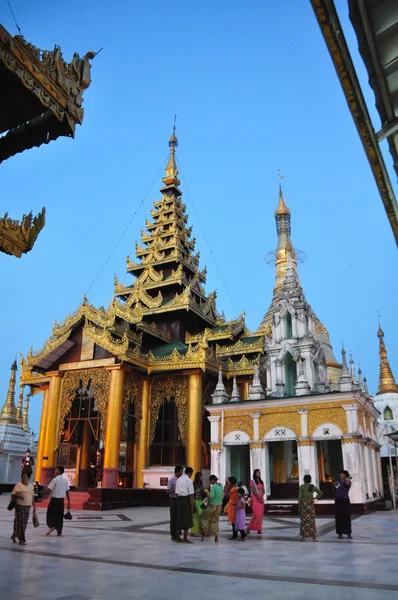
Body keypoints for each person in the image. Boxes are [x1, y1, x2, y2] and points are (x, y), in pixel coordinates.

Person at [45, 465, 71, 537]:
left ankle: (52, 526)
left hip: (54, 500)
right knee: (60, 516)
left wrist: (44, 495)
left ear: (59, 471)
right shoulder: (65, 481)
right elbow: (67, 492)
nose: (55, 471)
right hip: (61, 501)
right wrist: (69, 502)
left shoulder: (55, 480)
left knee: (50, 514)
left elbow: (49, 489)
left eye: (56, 470)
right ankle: (59, 532)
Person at [10, 473, 36, 545]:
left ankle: (14, 534)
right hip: (20, 506)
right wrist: (18, 497)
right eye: (22, 477)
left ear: (28, 478)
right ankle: (21, 539)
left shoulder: (31, 486)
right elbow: (12, 494)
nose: (23, 478)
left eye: (25, 476)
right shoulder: (18, 485)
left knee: (24, 522)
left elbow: (32, 496)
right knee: (21, 522)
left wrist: (34, 506)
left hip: (27, 506)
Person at [298, 474, 323, 542]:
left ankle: (303, 537)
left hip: (304, 506)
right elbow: (321, 493)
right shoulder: (312, 487)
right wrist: (315, 498)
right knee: (311, 521)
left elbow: (300, 498)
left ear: (304, 480)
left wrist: (299, 506)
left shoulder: (302, 487)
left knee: (304, 521)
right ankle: (314, 538)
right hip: (311, 505)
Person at [200, 474, 223, 542]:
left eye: (210, 481)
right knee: (215, 520)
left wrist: (208, 495)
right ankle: (216, 537)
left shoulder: (214, 486)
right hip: (219, 505)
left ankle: (205, 533)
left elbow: (212, 496)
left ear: (212, 480)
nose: (210, 483)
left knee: (204, 517)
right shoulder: (221, 485)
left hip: (212, 505)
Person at [175, 466, 194, 543]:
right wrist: (192, 506)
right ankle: (185, 538)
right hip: (185, 500)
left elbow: (176, 492)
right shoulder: (188, 481)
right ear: (190, 473)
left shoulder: (178, 479)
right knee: (186, 520)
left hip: (179, 500)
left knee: (179, 519)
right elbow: (191, 495)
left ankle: (178, 538)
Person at [334, 470, 353, 539]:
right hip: (338, 501)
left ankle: (348, 533)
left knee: (346, 517)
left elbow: (348, 484)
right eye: (340, 474)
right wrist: (333, 484)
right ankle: (340, 533)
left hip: (345, 501)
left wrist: (348, 478)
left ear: (345, 475)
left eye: (342, 474)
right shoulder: (338, 483)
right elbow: (334, 489)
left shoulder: (347, 482)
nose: (340, 476)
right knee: (339, 517)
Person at [166, 465, 183, 541]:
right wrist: (175, 490)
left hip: (179, 499)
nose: (182, 473)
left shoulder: (181, 480)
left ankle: (178, 534)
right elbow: (167, 491)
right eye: (181, 471)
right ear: (178, 471)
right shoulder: (171, 480)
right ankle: (173, 535)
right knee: (173, 517)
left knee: (179, 517)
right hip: (173, 499)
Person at [246, 469, 265, 535]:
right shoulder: (252, 481)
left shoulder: (261, 481)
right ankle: (249, 528)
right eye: (258, 473)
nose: (259, 474)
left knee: (260, 514)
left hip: (261, 499)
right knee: (255, 514)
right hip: (255, 498)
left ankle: (259, 528)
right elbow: (253, 490)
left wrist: (261, 496)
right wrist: (258, 496)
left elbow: (263, 491)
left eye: (259, 472)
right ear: (255, 473)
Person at [190, 472, 205, 536]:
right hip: (195, 501)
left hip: (200, 502)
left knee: (200, 517)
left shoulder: (199, 484)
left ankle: (198, 530)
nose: (202, 478)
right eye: (201, 476)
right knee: (195, 517)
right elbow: (192, 494)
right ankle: (193, 531)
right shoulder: (194, 484)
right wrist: (193, 504)